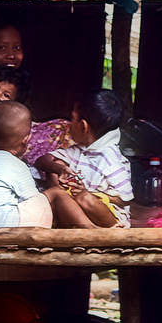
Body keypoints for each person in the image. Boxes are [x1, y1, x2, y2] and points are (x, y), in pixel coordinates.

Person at [0, 102, 98, 229]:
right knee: (56, 194)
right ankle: (92, 229)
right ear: (26, 141)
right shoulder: (16, 165)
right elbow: (34, 198)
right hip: (5, 223)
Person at [35, 89, 133, 228]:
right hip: (79, 210)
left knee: (85, 198)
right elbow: (42, 161)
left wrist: (92, 194)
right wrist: (61, 169)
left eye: (72, 118)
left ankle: (95, 230)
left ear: (83, 126)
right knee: (54, 166)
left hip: (109, 218)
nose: (68, 123)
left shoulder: (112, 160)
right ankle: (70, 214)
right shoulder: (79, 149)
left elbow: (125, 200)